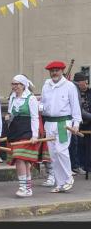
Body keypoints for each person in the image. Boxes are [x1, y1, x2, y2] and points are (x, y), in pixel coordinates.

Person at [41, 61, 82, 193]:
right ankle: (60, 183)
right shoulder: (46, 85)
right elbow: (43, 103)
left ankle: (69, 177)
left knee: (61, 151)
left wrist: (76, 123)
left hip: (63, 124)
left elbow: (75, 106)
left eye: (57, 70)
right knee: (53, 155)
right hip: (49, 123)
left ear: (62, 71)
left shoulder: (69, 86)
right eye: (52, 70)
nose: (54, 73)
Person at [5, 75, 39, 197]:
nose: (15, 87)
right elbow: (10, 113)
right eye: (13, 84)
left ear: (24, 85)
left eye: (17, 84)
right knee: (23, 160)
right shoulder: (13, 98)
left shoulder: (31, 98)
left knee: (20, 158)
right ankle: (27, 187)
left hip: (26, 131)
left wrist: (35, 135)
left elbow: (35, 117)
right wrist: (8, 117)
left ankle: (23, 187)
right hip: (15, 132)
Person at [69, 72, 91, 175]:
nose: (86, 84)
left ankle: (78, 166)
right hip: (74, 121)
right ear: (80, 81)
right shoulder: (73, 89)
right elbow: (78, 108)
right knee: (74, 144)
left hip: (82, 122)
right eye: (85, 82)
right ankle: (75, 166)